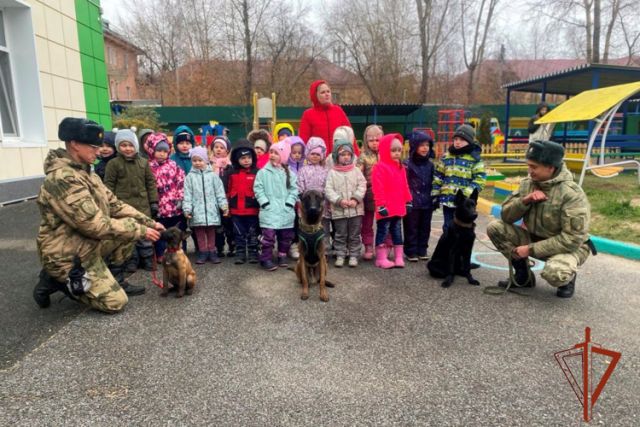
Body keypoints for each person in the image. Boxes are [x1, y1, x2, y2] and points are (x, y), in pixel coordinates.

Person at [34, 117, 164, 313]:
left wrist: (149, 223)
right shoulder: (63, 179)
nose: (99, 150)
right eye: (93, 146)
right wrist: (140, 230)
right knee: (115, 302)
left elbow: (115, 205)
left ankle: (114, 278)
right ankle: (56, 280)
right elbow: (95, 225)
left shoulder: (88, 174)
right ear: (74, 144)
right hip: (66, 253)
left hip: (86, 243)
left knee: (129, 231)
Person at [487, 140, 592, 298]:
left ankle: (567, 279)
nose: (529, 171)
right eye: (529, 165)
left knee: (555, 273)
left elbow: (572, 239)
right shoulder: (527, 185)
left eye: (534, 167)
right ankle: (524, 276)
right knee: (495, 228)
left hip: (569, 247)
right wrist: (524, 201)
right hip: (534, 237)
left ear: (550, 167)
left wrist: (530, 250)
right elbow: (506, 216)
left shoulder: (571, 194)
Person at [104, 129, 159, 273]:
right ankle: (131, 261)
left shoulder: (144, 163)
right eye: (123, 145)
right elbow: (108, 186)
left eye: (130, 145)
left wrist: (154, 202)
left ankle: (147, 259)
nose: (127, 148)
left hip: (142, 205)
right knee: (129, 236)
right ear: (118, 147)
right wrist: (109, 205)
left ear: (135, 146)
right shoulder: (113, 164)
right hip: (123, 207)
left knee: (145, 236)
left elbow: (150, 183)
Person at [254, 140, 298, 271]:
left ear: (283, 156)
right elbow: (258, 188)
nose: (272, 155)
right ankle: (266, 258)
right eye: (271, 152)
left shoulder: (289, 173)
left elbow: (294, 189)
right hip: (269, 210)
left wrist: (290, 203)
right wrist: (264, 202)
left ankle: (282, 255)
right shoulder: (263, 173)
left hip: (285, 210)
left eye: (276, 153)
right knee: (268, 236)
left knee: (285, 236)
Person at [433, 124, 486, 230]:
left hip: (464, 204)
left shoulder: (474, 159)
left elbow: (480, 178)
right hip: (448, 201)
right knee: (448, 227)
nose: (457, 142)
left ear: (469, 141)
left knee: (463, 229)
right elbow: (438, 176)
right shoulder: (446, 157)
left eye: (462, 140)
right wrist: (435, 194)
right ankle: (448, 246)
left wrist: (466, 193)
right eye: (456, 139)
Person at [372, 134, 412, 269]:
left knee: (397, 231)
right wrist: (381, 205)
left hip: (398, 207)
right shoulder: (379, 167)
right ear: (384, 150)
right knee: (383, 231)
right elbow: (378, 188)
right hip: (386, 208)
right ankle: (381, 258)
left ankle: (398, 257)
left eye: (399, 150)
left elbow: (405, 185)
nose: (396, 153)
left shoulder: (401, 167)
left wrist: (408, 200)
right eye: (393, 150)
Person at [183, 146, 229, 264]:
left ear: (206, 160)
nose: (197, 163)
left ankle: (212, 251)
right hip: (197, 211)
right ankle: (203, 252)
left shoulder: (213, 175)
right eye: (194, 160)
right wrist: (187, 209)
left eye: (200, 160)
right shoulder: (189, 177)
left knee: (211, 232)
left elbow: (219, 192)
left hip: (211, 211)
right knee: (199, 232)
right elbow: (187, 195)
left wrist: (224, 206)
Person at [325, 139, 367, 267]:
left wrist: (356, 199)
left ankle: (354, 255)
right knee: (340, 234)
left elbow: (362, 184)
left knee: (354, 234)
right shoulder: (332, 172)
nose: (346, 157)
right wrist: (339, 200)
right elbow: (328, 189)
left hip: (356, 210)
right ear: (337, 156)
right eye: (343, 154)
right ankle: (340, 254)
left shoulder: (356, 170)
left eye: (348, 154)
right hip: (339, 210)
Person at [148, 132, 185, 261]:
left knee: (176, 230)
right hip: (158, 206)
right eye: (159, 151)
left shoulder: (173, 165)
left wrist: (180, 198)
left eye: (165, 151)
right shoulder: (149, 167)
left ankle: (179, 251)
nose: (162, 153)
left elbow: (180, 181)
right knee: (160, 232)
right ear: (152, 150)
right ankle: (161, 254)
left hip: (173, 205)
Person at [223, 139, 260, 265]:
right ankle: (240, 253)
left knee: (252, 233)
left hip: (252, 210)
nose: (246, 160)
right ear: (236, 159)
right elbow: (227, 191)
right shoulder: (231, 172)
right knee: (238, 233)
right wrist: (226, 207)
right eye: (242, 158)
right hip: (236, 211)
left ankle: (253, 252)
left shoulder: (257, 172)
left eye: (249, 157)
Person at [403, 131, 437, 262]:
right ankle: (411, 250)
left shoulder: (430, 165)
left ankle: (422, 249)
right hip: (412, 202)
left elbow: (434, 182)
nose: (425, 148)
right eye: (421, 145)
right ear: (414, 146)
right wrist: (407, 199)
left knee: (425, 227)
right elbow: (404, 183)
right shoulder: (407, 164)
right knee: (411, 227)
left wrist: (435, 197)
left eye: (427, 145)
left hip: (427, 201)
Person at [298, 80, 355, 155]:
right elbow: (303, 140)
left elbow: (350, 135)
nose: (327, 94)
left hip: (339, 159)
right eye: (323, 92)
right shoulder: (308, 114)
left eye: (328, 91)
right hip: (318, 160)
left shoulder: (338, 111)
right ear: (315, 96)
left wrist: (355, 156)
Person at [297, 137, 331, 257]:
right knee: (306, 226)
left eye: (318, 154)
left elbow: (328, 187)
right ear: (308, 154)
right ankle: (306, 249)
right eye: (312, 153)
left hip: (321, 205)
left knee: (323, 227)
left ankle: (323, 249)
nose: (315, 156)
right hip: (307, 204)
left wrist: (326, 201)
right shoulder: (303, 170)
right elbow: (300, 187)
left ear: (322, 155)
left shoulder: (325, 171)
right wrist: (301, 202)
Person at [357, 124, 383, 260]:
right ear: (366, 141)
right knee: (367, 223)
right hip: (367, 195)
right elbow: (358, 176)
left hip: (384, 195)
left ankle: (384, 245)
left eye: (377, 140)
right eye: (371, 140)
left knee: (385, 222)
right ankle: (368, 245)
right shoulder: (362, 157)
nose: (374, 143)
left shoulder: (387, 155)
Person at [210, 136, 235, 258]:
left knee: (229, 224)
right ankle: (219, 247)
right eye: (216, 147)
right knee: (217, 225)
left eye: (222, 148)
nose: (218, 150)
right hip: (213, 200)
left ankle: (232, 246)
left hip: (227, 198)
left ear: (227, 151)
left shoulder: (230, 166)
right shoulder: (209, 165)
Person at [285, 136, 306, 260]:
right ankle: (291, 245)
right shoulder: (286, 167)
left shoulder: (304, 167)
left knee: (301, 225)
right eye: (294, 152)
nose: (297, 155)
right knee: (292, 224)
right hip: (290, 201)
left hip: (301, 202)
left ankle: (299, 245)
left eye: (300, 153)